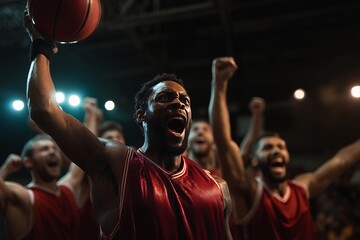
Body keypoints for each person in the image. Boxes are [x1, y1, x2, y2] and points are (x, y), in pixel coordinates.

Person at [24, 11, 232, 240]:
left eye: (185, 101)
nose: (178, 104)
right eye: (165, 98)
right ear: (141, 114)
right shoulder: (117, 164)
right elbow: (44, 110)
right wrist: (41, 47)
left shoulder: (218, 188)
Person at [208, 56, 360, 240]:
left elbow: (342, 160)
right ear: (254, 159)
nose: (276, 150)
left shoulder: (302, 187)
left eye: (281, 147)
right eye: (267, 148)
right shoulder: (248, 190)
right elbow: (223, 142)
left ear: (288, 156)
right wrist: (220, 83)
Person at [0, 134, 88, 239]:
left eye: (54, 148)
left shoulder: (67, 189)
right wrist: (5, 170)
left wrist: (92, 117)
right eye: (44, 149)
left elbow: (84, 152)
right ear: (28, 162)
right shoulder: (26, 197)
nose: (52, 152)